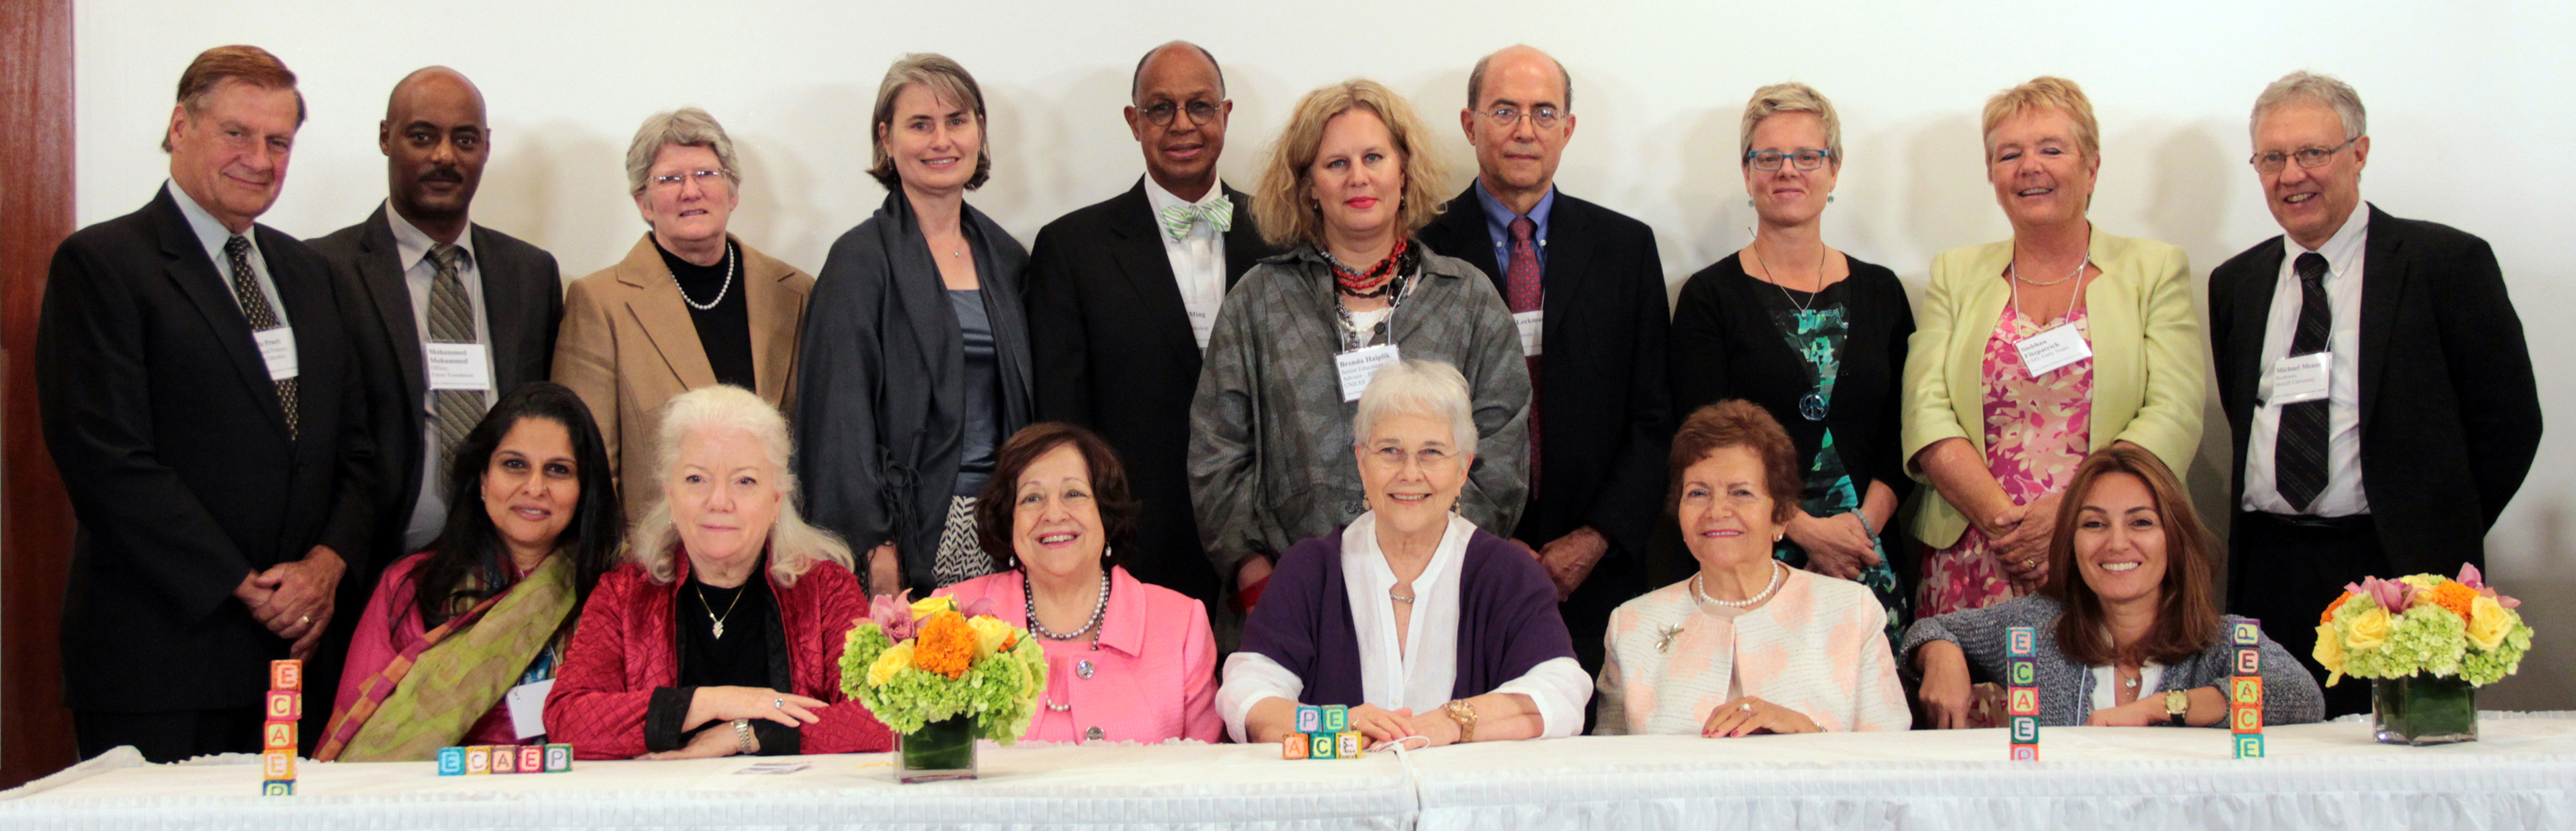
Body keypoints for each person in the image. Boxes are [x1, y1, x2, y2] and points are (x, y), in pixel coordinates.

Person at [38, 46, 377, 761]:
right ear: (180, 127)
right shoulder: (103, 265)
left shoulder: (312, 274)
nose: (259, 159)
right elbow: (107, 461)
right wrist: (241, 586)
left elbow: (356, 445)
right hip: (163, 658)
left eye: (278, 141)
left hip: (296, 657)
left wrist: (327, 563)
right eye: (236, 133)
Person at [2208, 72, 2540, 716]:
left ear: (2359, 153)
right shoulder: (2237, 284)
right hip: (2269, 571)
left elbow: (2511, 424)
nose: (2292, 174)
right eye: (2272, 158)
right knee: (2266, 762)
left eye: (2313, 152)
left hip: (2397, 576)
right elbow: (2243, 414)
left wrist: (2436, 528)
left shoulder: (2445, 263)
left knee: (2406, 764)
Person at [1191, 80, 1530, 617]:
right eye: (1336, 163)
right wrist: (1258, 581)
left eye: (1374, 157)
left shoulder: (1468, 300)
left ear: (1404, 171)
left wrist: (1436, 571)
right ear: (1308, 185)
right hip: (1288, 604)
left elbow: (1502, 456)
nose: (1359, 177)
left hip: (1440, 601)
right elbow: (1218, 452)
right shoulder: (1257, 301)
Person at [309, 68, 564, 727]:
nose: (445, 156)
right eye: (423, 136)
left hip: (508, 584)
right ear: (387, 139)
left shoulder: (531, 274)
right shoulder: (323, 270)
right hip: (370, 572)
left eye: (465, 139)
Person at [1902, 76, 2204, 622]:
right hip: (1977, 551)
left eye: (2051, 149)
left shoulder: (2153, 269)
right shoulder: (1955, 273)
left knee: (2107, 705)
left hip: (2111, 552)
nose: (2029, 166)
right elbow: (1926, 411)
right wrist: (2009, 530)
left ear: (2091, 168)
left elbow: (2173, 412)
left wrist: (2070, 519)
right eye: (2009, 154)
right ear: (1992, 174)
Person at [1416, 44, 1670, 683]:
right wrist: (1481, 538)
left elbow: (1654, 416)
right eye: (1505, 111)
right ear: (1471, 125)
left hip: (1600, 571)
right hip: (1452, 563)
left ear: (1568, 129)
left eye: (1543, 112)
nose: (1525, 130)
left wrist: (1595, 538)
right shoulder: (1416, 247)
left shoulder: (1626, 248)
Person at [1025, 42, 1278, 615]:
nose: (1182, 125)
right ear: (1133, 121)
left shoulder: (1282, 234)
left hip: (1273, 545)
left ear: (1226, 114)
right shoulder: (1071, 249)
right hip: (1137, 548)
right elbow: (1063, 423)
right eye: (1161, 108)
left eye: (1200, 106)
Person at [1218, 360, 1583, 748]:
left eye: (1432, 452)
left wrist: (1455, 721)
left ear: (1463, 469)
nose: (1410, 473)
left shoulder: (1509, 575)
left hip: (1467, 807)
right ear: (1362, 461)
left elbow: (1559, 692)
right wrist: (1332, 723)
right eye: (1390, 450)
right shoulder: (1309, 570)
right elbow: (1248, 696)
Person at [1669, 82, 1914, 642]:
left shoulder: (1881, 291)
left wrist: (1861, 531)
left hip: (1869, 559)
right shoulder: (1709, 298)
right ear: (1746, 171)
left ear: (1834, 169)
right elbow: (1700, 441)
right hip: (1752, 559)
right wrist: (1803, 530)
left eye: (1807, 157)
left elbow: (1903, 433)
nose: (1788, 171)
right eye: (1769, 157)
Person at [545, 385, 891, 759]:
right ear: (670, 495)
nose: (719, 502)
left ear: (776, 500)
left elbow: (884, 716)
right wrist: (714, 703)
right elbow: (567, 720)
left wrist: (745, 733)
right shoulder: (625, 593)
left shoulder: (826, 590)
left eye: (745, 481)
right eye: (696, 479)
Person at [799, 54, 1032, 598]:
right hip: (914, 535)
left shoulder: (1007, 257)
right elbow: (840, 422)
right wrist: (878, 552)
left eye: (957, 121)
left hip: (1008, 525)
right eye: (920, 125)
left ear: (979, 131)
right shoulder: (858, 260)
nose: (942, 141)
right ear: (886, 139)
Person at [1903, 445, 2323, 728]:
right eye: (2094, 524)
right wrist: (1940, 654)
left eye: (2141, 522)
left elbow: (2302, 697)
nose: (2117, 543)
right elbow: (1931, 630)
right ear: (2071, 540)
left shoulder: (2220, 639)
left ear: (2173, 540)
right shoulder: (2036, 626)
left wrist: (2160, 709)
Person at [320, 383, 623, 760]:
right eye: (515, 465)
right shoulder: (413, 586)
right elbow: (363, 732)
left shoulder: (617, 591)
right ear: (482, 479)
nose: (534, 487)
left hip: (578, 800)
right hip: (438, 803)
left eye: (558, 471)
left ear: (583, 490)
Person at [555, 107, 816, 522]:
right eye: (670, 179)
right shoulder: (600, 304)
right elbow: (590, 466)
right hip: (658, 563)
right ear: (644, 202)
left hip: (780, 557)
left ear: (732, 192)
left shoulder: (796, 292)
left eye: (707, 174)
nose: (690, 191)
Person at [1595, 401, 1907, 736]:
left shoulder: (1852, 612)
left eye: (1741, 492)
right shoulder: (1630, 627)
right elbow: (1610, 775)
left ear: (1781, 514)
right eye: (1698, 493)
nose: (1717, 510)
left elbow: (1890, 765)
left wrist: (1807, 733)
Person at [938, 423, 1221, 743]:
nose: (1053, 514)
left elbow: (1207, 779)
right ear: (1009, 520)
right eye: (1032, 498)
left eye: (1074, 494)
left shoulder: (1180, 624)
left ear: (1105, 512)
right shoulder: (952, 615)